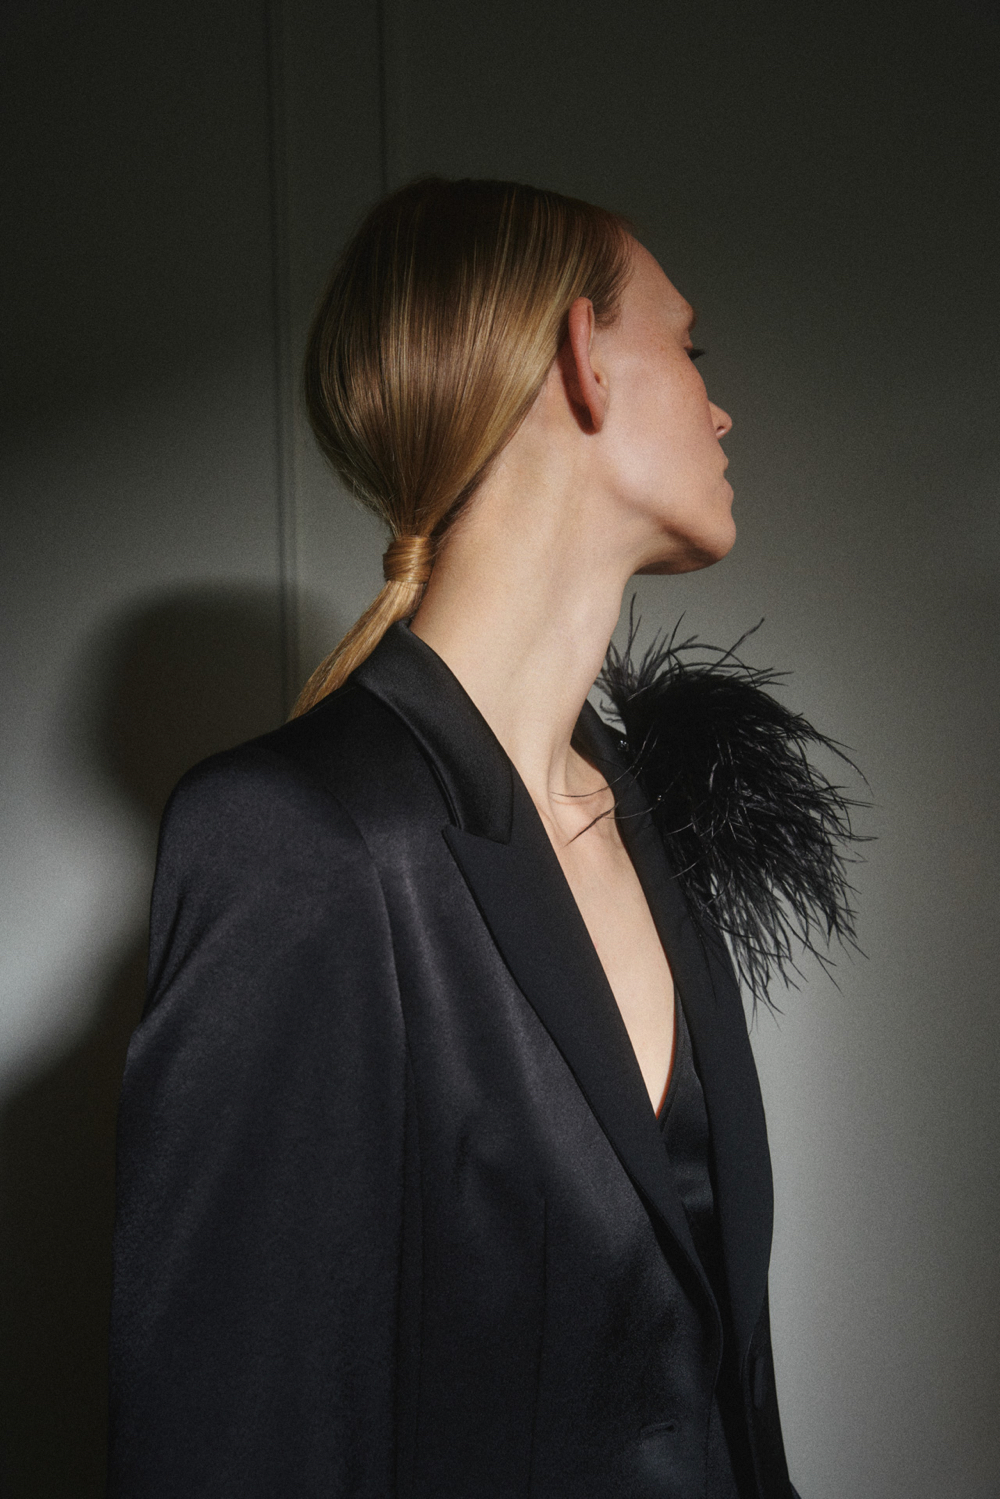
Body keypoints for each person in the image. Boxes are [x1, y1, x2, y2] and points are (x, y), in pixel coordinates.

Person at [107, 177, 842, 1497]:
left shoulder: (648, 820)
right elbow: (228, 1450)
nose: (722, 408)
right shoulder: (298, 842)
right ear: (582, 355)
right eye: (691, 347)